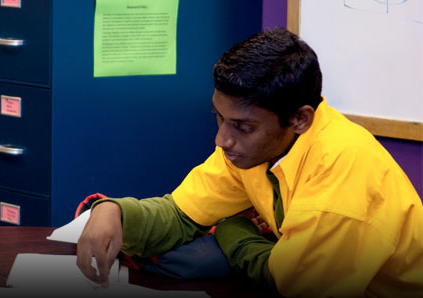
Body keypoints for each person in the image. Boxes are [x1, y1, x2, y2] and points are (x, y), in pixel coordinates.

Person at [76, 28, 423, 297]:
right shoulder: (255, 147)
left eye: (243, 126)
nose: (222, 140)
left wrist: (232, 230)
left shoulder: (341, 173)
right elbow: (181, 214)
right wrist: (113, 211)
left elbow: (288, 283)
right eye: (219, 118)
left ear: (300, 119)